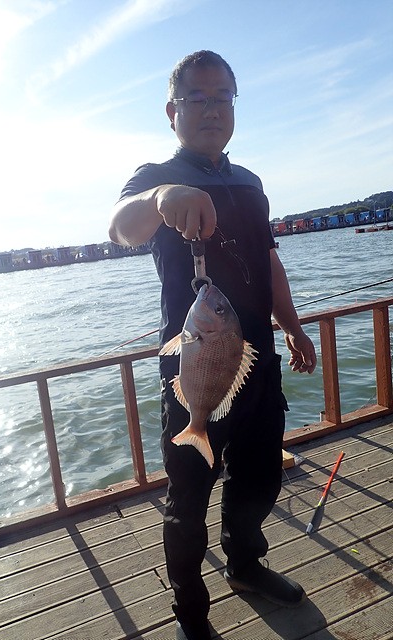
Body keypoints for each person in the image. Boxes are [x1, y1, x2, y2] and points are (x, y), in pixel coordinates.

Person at [109, 50, 317, 640]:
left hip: (256, 363)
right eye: (196, 98)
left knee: (259, 478)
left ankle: (245, 564)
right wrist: (159, 198)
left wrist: (293, 326)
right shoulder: (155, 176)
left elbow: (269, 263)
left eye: (223, 97)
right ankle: (191, 615)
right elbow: (119, 228)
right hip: (195, 366)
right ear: (171, 111)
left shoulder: (249, 183)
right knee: (189, 497)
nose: (211, 109)